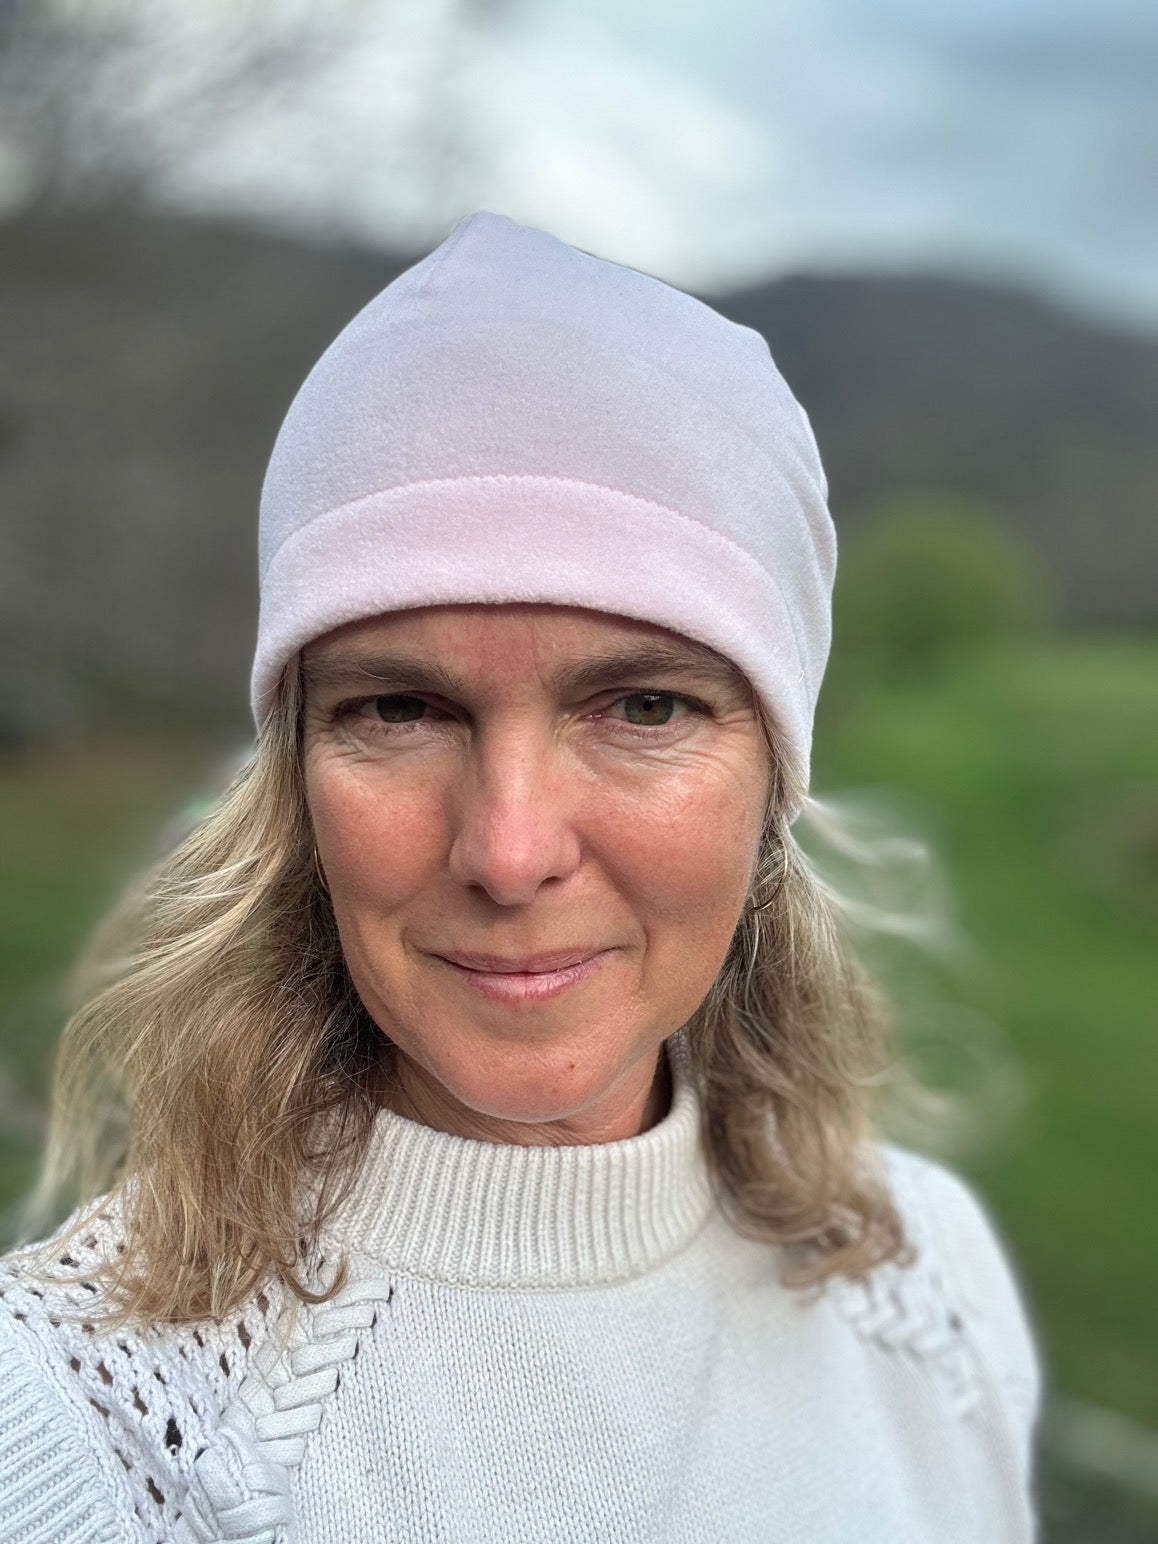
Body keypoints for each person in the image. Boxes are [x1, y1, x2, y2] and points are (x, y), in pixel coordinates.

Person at [0, 210, 1040, 1543]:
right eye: (399, 710)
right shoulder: (81, 1431)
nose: (506, 851)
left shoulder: (930, 1281)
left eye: (645, 707)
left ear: (774, 779)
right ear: (295, 784)